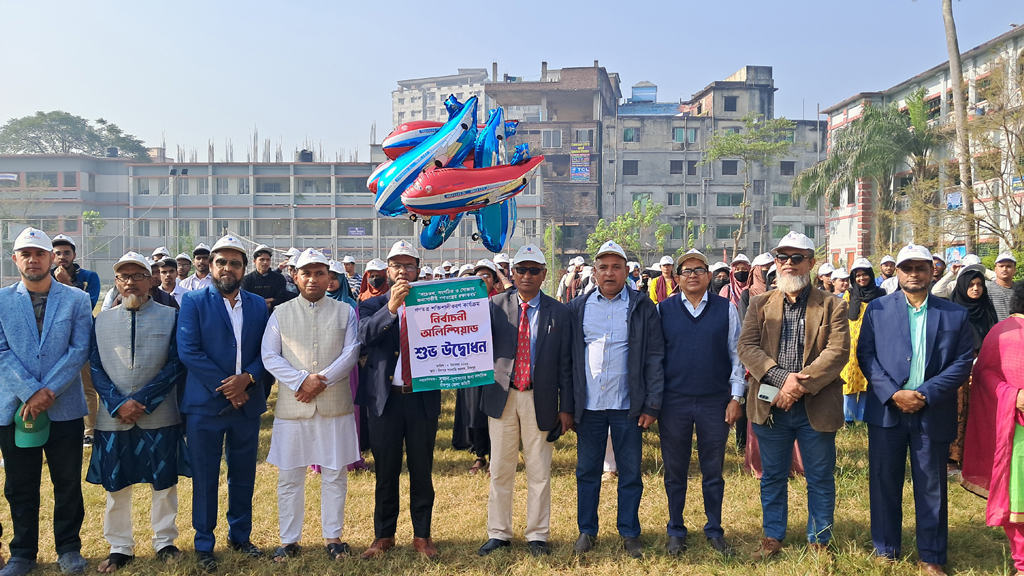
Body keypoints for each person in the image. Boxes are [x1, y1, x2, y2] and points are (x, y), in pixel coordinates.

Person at [858, 243, 974, 576]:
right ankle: (886, 548)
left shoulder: (954, 313)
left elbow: (962, 362)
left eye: (920, 267)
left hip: (932, 410)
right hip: (887, 412)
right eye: (907, 268)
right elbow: (866, 356)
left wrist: (923, 394)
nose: (913, 274)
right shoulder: (878, 309)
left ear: (930, 271)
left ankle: (932, 556)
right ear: (897, 271)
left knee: (931, 485)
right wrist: (894, 393)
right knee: (884, 481)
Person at [737, 232, 850, 559]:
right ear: (775, 262)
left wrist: (797, 385)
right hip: (771, 403)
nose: (788, 263)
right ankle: (772, 537)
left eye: (796, 257)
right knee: (772, 476)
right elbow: (747, 347)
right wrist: (781, 382)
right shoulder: (760, 303)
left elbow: (838, 351)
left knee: (819, 477)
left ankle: (820, 540)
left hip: (816, 402)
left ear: (811, 263)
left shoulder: (832, 305)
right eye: (782, 257)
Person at [0, 228, 93, 575]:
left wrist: (48, 391)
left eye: (39, 253)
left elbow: (78, 349)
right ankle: (22, 552)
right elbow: (1, 351)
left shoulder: (76, 300)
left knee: (67, 482)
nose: (33, 259)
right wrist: (30, 392)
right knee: (20, 485)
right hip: (16, 407)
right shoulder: (2, 301)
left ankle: (69, 548)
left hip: (64, 407)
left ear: (52, 258)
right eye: (25, 254)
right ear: (15, 260)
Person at [87, 252, 187, 572]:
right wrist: (119, 403)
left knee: (164, 482)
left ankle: (165, 541)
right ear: (116, 282)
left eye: (137, 275)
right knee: (116, 484)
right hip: (113, 415)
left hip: (158, 412)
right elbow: (95, 367)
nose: (130, 282)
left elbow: (175, 363)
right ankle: (120, 546)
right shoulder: (101, 321)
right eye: (123, 277)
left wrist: (142, 400)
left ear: (151, 279)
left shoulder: (172, 316)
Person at [176, 235, 269, 572]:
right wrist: (230, 387)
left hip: (248, 404)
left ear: (244, 268)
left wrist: (249, 377)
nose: (228, 268)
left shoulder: (258, 305)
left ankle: (240, 536)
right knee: (205, 475)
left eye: (235, 263)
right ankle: (204, 542)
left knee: (243, 474)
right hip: (205, 406)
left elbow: (267, 351)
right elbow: (189, 351)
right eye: (221, 262)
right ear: (211, 266)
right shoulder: (193, 302)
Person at [261, 249, 361, 563]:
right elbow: (269, 356)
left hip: (334, 405)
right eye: (306, 273)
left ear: (329, 277)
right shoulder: (280, 313)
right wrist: (302, 380)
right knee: (290, 476)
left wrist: (321, 380)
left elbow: (351, 353)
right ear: (295, 276)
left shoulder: (345, 312)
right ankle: (289, 540)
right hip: (294, 406)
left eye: (319, 273)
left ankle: (333, 537)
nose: (313, 279)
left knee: (335, 473)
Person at [567, 241, 663, 558]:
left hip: (627, 407)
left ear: (626, 271)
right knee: (587, 472)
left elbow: (654, 357)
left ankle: (630, 532)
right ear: (594, 272)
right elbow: (568, 362)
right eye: (603, 267)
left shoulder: (641, 306)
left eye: (616, 267)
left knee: (631, 474)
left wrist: (651, 404)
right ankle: (586, 531)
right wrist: (567, 406)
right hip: (589, 407)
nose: (609, 273)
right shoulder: (578, 308)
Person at [477, 244, 573, 558]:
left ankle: (537, 535)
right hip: (501, 397)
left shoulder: (559, 311)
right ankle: (499, 533)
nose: (527, 275)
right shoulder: (493, 306)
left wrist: (566, 407)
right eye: (521, 269)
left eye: (534, 270)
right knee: (500, 469)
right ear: (512, 273)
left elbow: (566, 364)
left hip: (540, 399)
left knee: (539, 470)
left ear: (545, 274)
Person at [356, 240, 441, 560]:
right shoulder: (370, 304)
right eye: (397, 265)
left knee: (422, 471)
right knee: (386, 471)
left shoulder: (433, 303)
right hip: (385, 401)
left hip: (421, 398)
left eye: (409, 265)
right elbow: (363, 336)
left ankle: (422, 535)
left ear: (418, 270)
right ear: (386, 270)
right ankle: (384, 535)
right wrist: (391, 308)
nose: (403, 271)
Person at [658, 249, 742, 558]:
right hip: (674, 402)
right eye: (686, 270)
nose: (692, 274)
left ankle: (714, 529)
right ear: (676, 278)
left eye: (699, 269)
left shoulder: (726, 309)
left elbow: (737, 355)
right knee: (675, 470)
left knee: (713, 471)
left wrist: (736, 397)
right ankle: (676, 530)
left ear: (708, 275)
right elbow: (657, 359)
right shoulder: (663, 310)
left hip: (714, 401)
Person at [961, 283, 1024, 576]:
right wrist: (1013, 394)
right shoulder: (1003, 332)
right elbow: (984, 373)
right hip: (1017, 430)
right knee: (1018, 498)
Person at [49, 234, 102, 450]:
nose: (62, 257)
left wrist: (67, 284)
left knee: (87, 386)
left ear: (74, 255)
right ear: (52, 256)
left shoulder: (89, 276)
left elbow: (85, 307)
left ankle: (89, 432)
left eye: (66, 253)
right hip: (56, 340)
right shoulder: (46, 277)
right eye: (58, 253)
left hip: (83, 338)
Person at [451, 260, 500, 474]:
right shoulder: (464, 303)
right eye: (478, 276)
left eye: (487, 276)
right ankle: (480, 455)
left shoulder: (503, 301)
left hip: (497, 366)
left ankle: (496, 457)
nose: (482, 280)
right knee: (475, 412)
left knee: (495, 412)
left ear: (495, 280)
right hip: (472, 365)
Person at [948, 264, 999, 470]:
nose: (976, 288)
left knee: (980, 414)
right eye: (971, 285)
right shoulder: (953, 311)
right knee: (957, 414)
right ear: (961, 286)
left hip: (985, 371)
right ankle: (952, 459)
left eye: (979, 284)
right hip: (959, 372)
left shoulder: (987, 310)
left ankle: (977, 458)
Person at [841, 258, 883, 424]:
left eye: (865, 275)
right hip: (851, 344)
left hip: (874, 341)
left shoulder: (881, 294)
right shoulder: (849, 294)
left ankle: (863, 417)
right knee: (850, 378)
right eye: (858, 276)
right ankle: (848, 418)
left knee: (868, 379)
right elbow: (846, 317)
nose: (861, 278)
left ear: (871, 275)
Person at [241, 245, 293, 312]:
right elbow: (246, 301)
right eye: (262, 259)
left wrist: (258, 303)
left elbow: (282, 299)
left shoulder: (278, 278)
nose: (265, 262)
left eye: (268, 259)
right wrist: (271, 300)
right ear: (254, 261)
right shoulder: (247, 279)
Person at [989, 252, 1017, 322]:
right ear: (995, 269)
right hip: (995, 331)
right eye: (1001, 266)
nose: (1004, 269)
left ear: (1014, 270)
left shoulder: (1020, 291)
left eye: (1009, 266)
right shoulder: (987, 289)